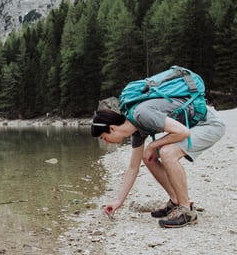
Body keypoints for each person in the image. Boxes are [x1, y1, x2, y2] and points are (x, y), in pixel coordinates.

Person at [90, 98, 226, 228]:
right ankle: (176, 201)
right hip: (196, 125)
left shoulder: (141, 114)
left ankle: (186, 210)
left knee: (167, 152)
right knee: (148, 156)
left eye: (104, 137)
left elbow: (182, 132)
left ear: (112, 128)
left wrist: (153, 145)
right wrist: (119, 201)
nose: (106, 141)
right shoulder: (137, 130)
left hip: (209, 123)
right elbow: (133, 168)